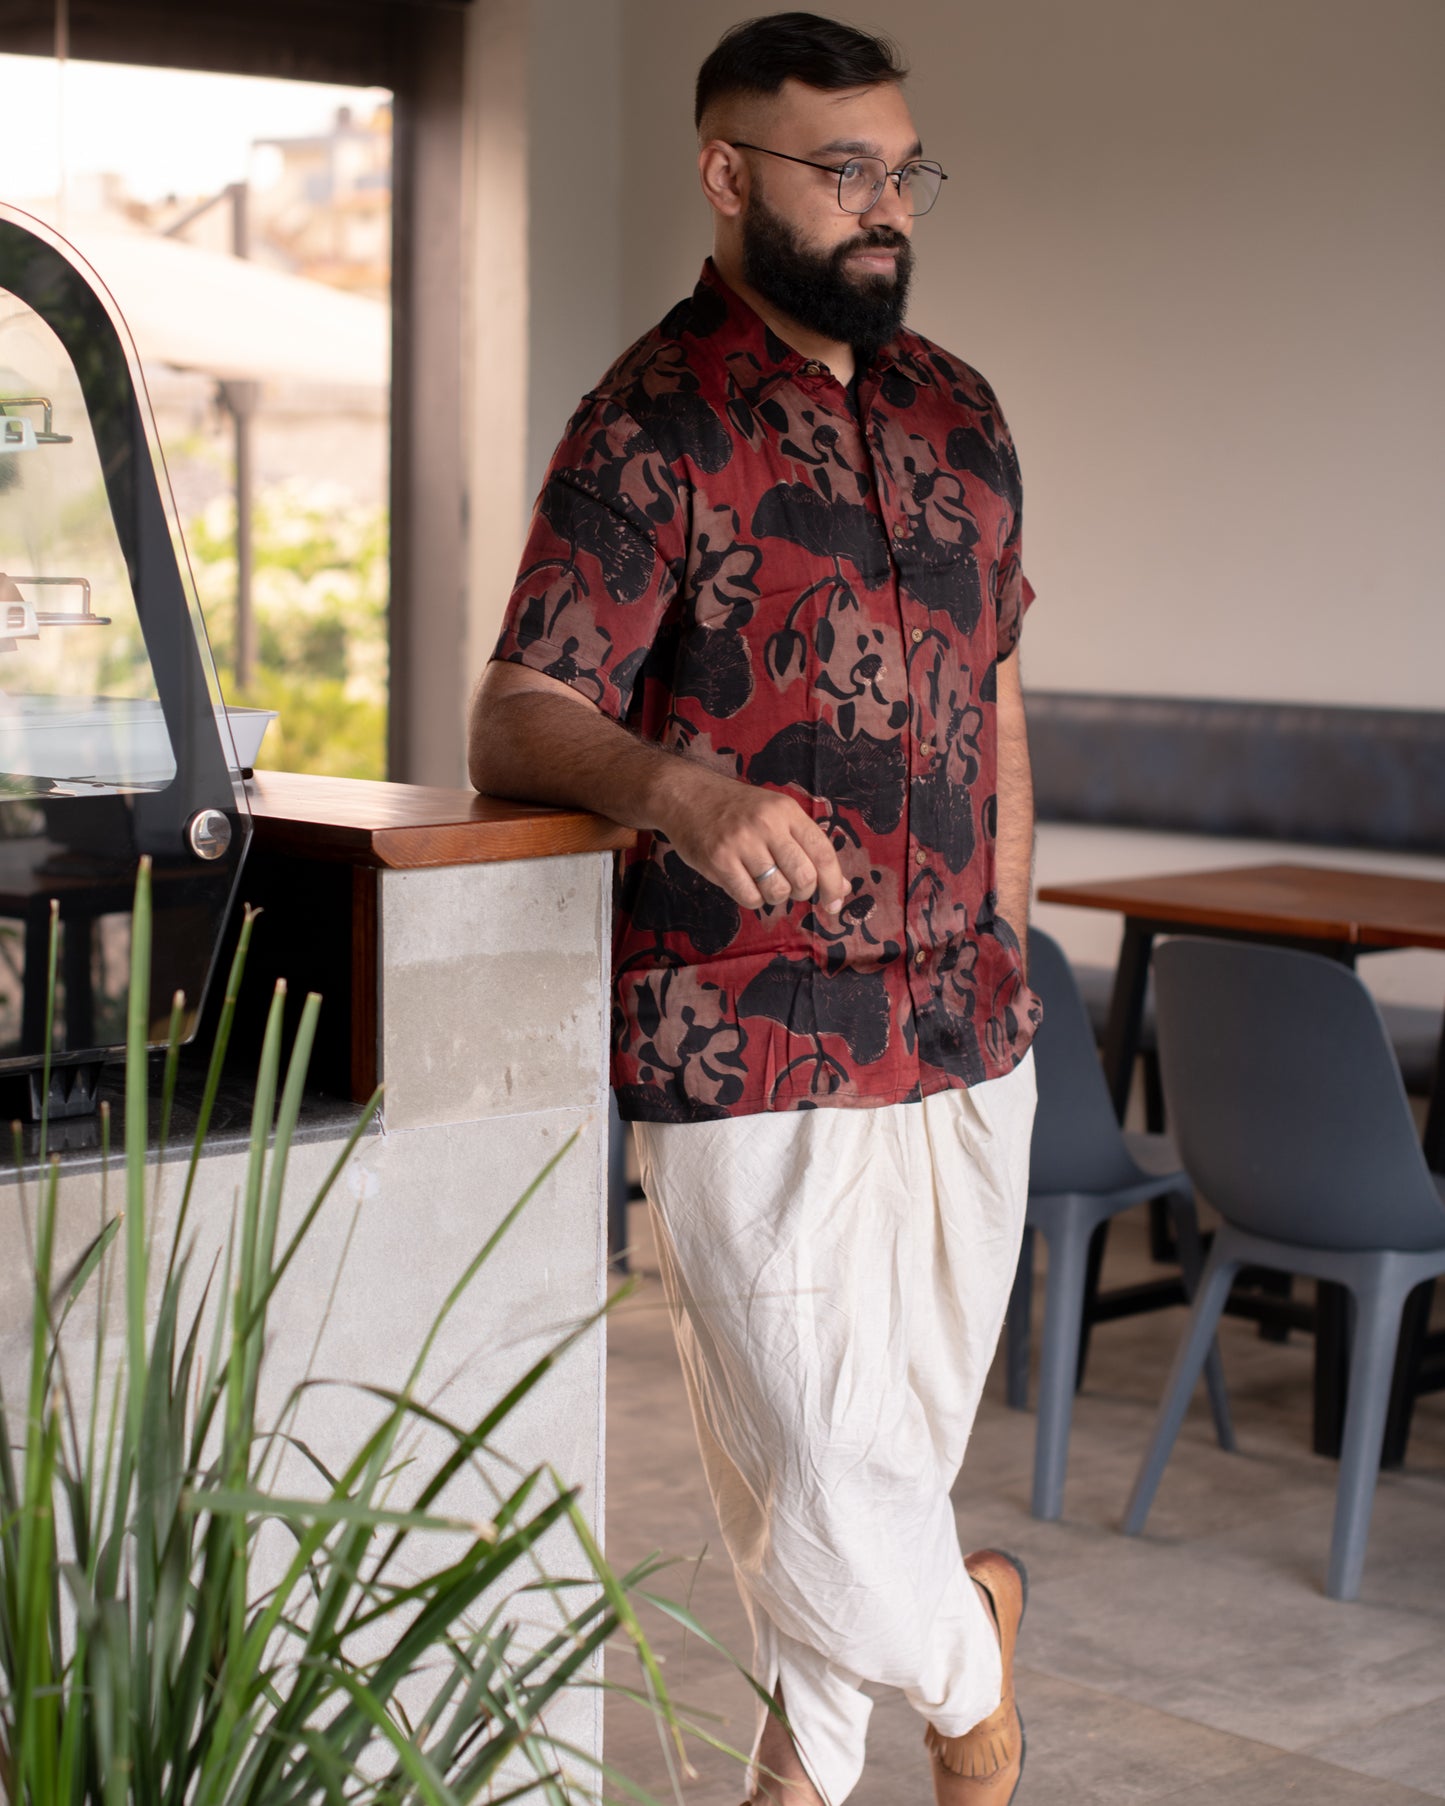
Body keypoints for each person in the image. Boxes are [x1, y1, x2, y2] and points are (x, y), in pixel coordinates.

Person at [468, 14, 1041, 1802]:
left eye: (902, 170)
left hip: (966, 1031)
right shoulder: (648, 425)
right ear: (728, 175)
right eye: (841, 171)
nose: (885, 209)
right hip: (751, 1032)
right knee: (830, 1463)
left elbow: (1000, 692)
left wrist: (1008, 931)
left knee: (863, 1459)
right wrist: (682, 788)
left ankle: (793, 1778)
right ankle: (970, 1667)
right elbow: (516, 714)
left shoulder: (960, 408)